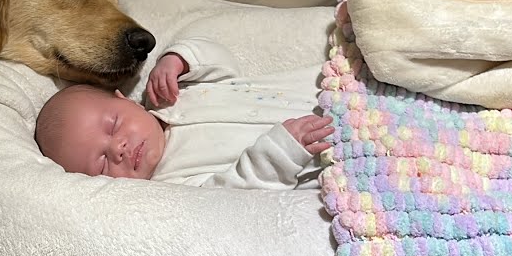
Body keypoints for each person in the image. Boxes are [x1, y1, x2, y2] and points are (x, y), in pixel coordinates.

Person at [34, 35, 332, 190]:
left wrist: (178, 61)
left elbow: (225, 65)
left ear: (124, 99)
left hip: (325, 90)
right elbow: (234, 193)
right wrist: (281, 152)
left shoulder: (170, 95)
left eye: (113, 126)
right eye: (101, 164)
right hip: (323, 151)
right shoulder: (172, 183)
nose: (118, 148)